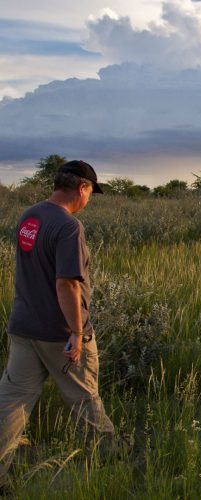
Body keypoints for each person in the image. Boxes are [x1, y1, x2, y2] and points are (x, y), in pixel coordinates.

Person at [0, 160, 119, 488]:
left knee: (13, 400)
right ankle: (108, 456)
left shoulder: (30, 216)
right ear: (82, 187)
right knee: (84, 396)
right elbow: (66, 283)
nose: (89, 199)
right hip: (58, 332)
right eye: (91, 191)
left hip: (23, 326)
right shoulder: (69, 227)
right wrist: (77, 333)